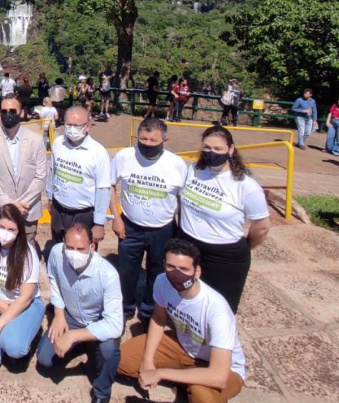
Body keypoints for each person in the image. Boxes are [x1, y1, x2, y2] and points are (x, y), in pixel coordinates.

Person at [117, 239, 246, 403]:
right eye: (171, 267)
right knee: (119, 359)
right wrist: (147, 361)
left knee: (202, 395)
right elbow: (158, 319)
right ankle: (185, 379)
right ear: (164, 264)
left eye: (184, 269)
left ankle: (186, 381)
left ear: (197, 272)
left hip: (223, 367)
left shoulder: (216, 309)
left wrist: (160, 373)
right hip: (184, 347)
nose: (176, 274)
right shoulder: (162, 282)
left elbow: (219, 376)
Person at [179, 126, 270, 313]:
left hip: (224, 256)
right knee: (187, 301)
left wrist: (245, 246)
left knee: (219, 310)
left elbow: (261, 227)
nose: (211, 153)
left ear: (231, 149)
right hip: (189, 247)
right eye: (207, 147)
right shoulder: (194, 170)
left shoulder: (246, 186)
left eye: (218, 149)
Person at [110, 118, 188, 327]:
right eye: (143, 139)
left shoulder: (177, 164)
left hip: (163, 229)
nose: (147, 144)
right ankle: (125, 308)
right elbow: (110, 185)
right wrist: (116, 218)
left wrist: (181, 232)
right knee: (126, 271)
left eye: (153, 140)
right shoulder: (125, 156)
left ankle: (149, 311)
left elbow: (183, 200)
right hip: (130, 226)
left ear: (165, 140)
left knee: (158, 273)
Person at [38, 223, 123, 403]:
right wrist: (59, 313)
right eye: (69, 247)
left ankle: (102, 392)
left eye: (80, 249)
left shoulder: (108, 274)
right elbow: (53, 278)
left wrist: (73, 336)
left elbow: (115, 325)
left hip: (98, 320)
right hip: (71, 316)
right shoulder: (56, 253)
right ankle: (84, 345)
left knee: (109, 351)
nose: (74, 253)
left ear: (92, 247)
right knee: (45, 359)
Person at [0, 204, 43, 371]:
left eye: (11, 229)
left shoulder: (28, 255)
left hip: (23, 304)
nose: (5, 233)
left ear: (19, 231)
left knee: (13, 346)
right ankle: (9, 332)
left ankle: (24, 339)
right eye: (2, 227)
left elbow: (25, 298)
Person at [0, 96, 48, 244]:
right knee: (1, 249)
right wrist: (8, 204)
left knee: (26, 250)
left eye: (12, 111)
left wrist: (21, 204)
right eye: (4, 111)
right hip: (0, 209)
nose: (8, 115)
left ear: (22, 112)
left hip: (28, 209)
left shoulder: (36, 139)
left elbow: (41, 177)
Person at [47, 107, 111, 244]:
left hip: (84, 214)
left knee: (81, 251)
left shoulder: (98, 153)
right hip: (59, 208)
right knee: (57, 247)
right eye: (68, 124)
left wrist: (99, 223)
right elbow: (52, 171)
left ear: (87, 127)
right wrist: (50, 197)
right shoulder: (58, 143)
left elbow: (103, 189)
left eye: (76, 126)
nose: (72, 129)